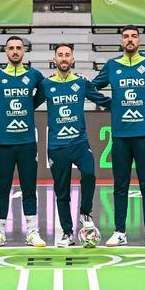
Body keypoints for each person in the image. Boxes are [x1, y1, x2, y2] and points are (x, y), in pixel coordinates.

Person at [91, 26, 145, 248]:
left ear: (139, 40)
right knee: (120, 185)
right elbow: (90, 87)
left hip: (144, 134)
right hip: (120, 135)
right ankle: (119, 232)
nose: (130, 40)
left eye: (134, 36)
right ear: (121, 41)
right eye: (126, 36)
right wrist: (109, 103)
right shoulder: (112, 65)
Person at [42, 43, 111, 246]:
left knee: (89, 174)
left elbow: (102, 100)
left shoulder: (81, 83)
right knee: (61, 191)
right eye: (60, 55)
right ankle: (67, 233)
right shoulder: (46, 84)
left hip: (79, 142)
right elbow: (29, 104)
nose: (64, 58)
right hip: (57, 146)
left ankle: (85, 213)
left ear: (73, 59)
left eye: (67, 55)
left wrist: (123, 104)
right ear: (54, 60)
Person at [0, 36, 46, 248]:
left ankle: (33, 232)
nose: (15, 51)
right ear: (6, 51)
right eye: (11, 48)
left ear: (24, 51)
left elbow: (44, 91)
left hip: (27, 141)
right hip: (3, 142)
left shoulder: (33, 75)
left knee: (29, 188)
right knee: (2, 189)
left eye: (19, 48)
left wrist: (29, 105)